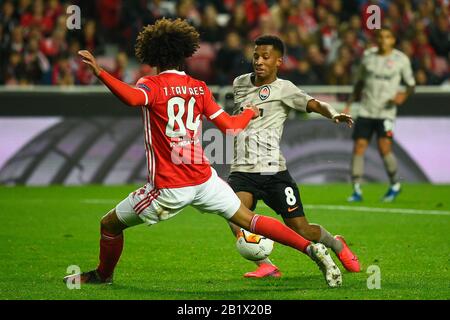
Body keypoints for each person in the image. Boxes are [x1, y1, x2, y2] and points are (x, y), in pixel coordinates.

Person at [63, 18, 343, 288]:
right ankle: (311, 249)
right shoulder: (198, 88)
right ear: (184, 53)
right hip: (205, 180)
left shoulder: (151, 84)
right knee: (250, 220)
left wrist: (100, 73)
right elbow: (231, 127)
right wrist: (249, 112)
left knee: (109, 224)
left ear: (152, 54)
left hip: (169, 187)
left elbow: (132, 98)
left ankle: (103, 275)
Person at [226, 35, 361, 278]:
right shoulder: (239, 83)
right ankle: (266, 264)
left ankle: (337, 244)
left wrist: (333, 114)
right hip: (242, 170)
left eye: (266, 57)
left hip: (273, 171)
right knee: (234, 215)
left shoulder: (285, 89)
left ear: (279, 61)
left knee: (301, 228)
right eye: (256, 56)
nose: (259, 61)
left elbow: (315, 103)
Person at [344, 27, 415, 202]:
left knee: (385, 148)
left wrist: (402, 96)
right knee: (359, 146)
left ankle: (395, 184)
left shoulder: (401, 60)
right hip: (366, 110)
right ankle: (356, 190)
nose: (383, 40)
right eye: (381, 37)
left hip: (386, 112)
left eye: (387, 37)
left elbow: (411, 85)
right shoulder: (368, 57)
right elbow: (359, 83)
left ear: (393, 40)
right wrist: (349, 104)